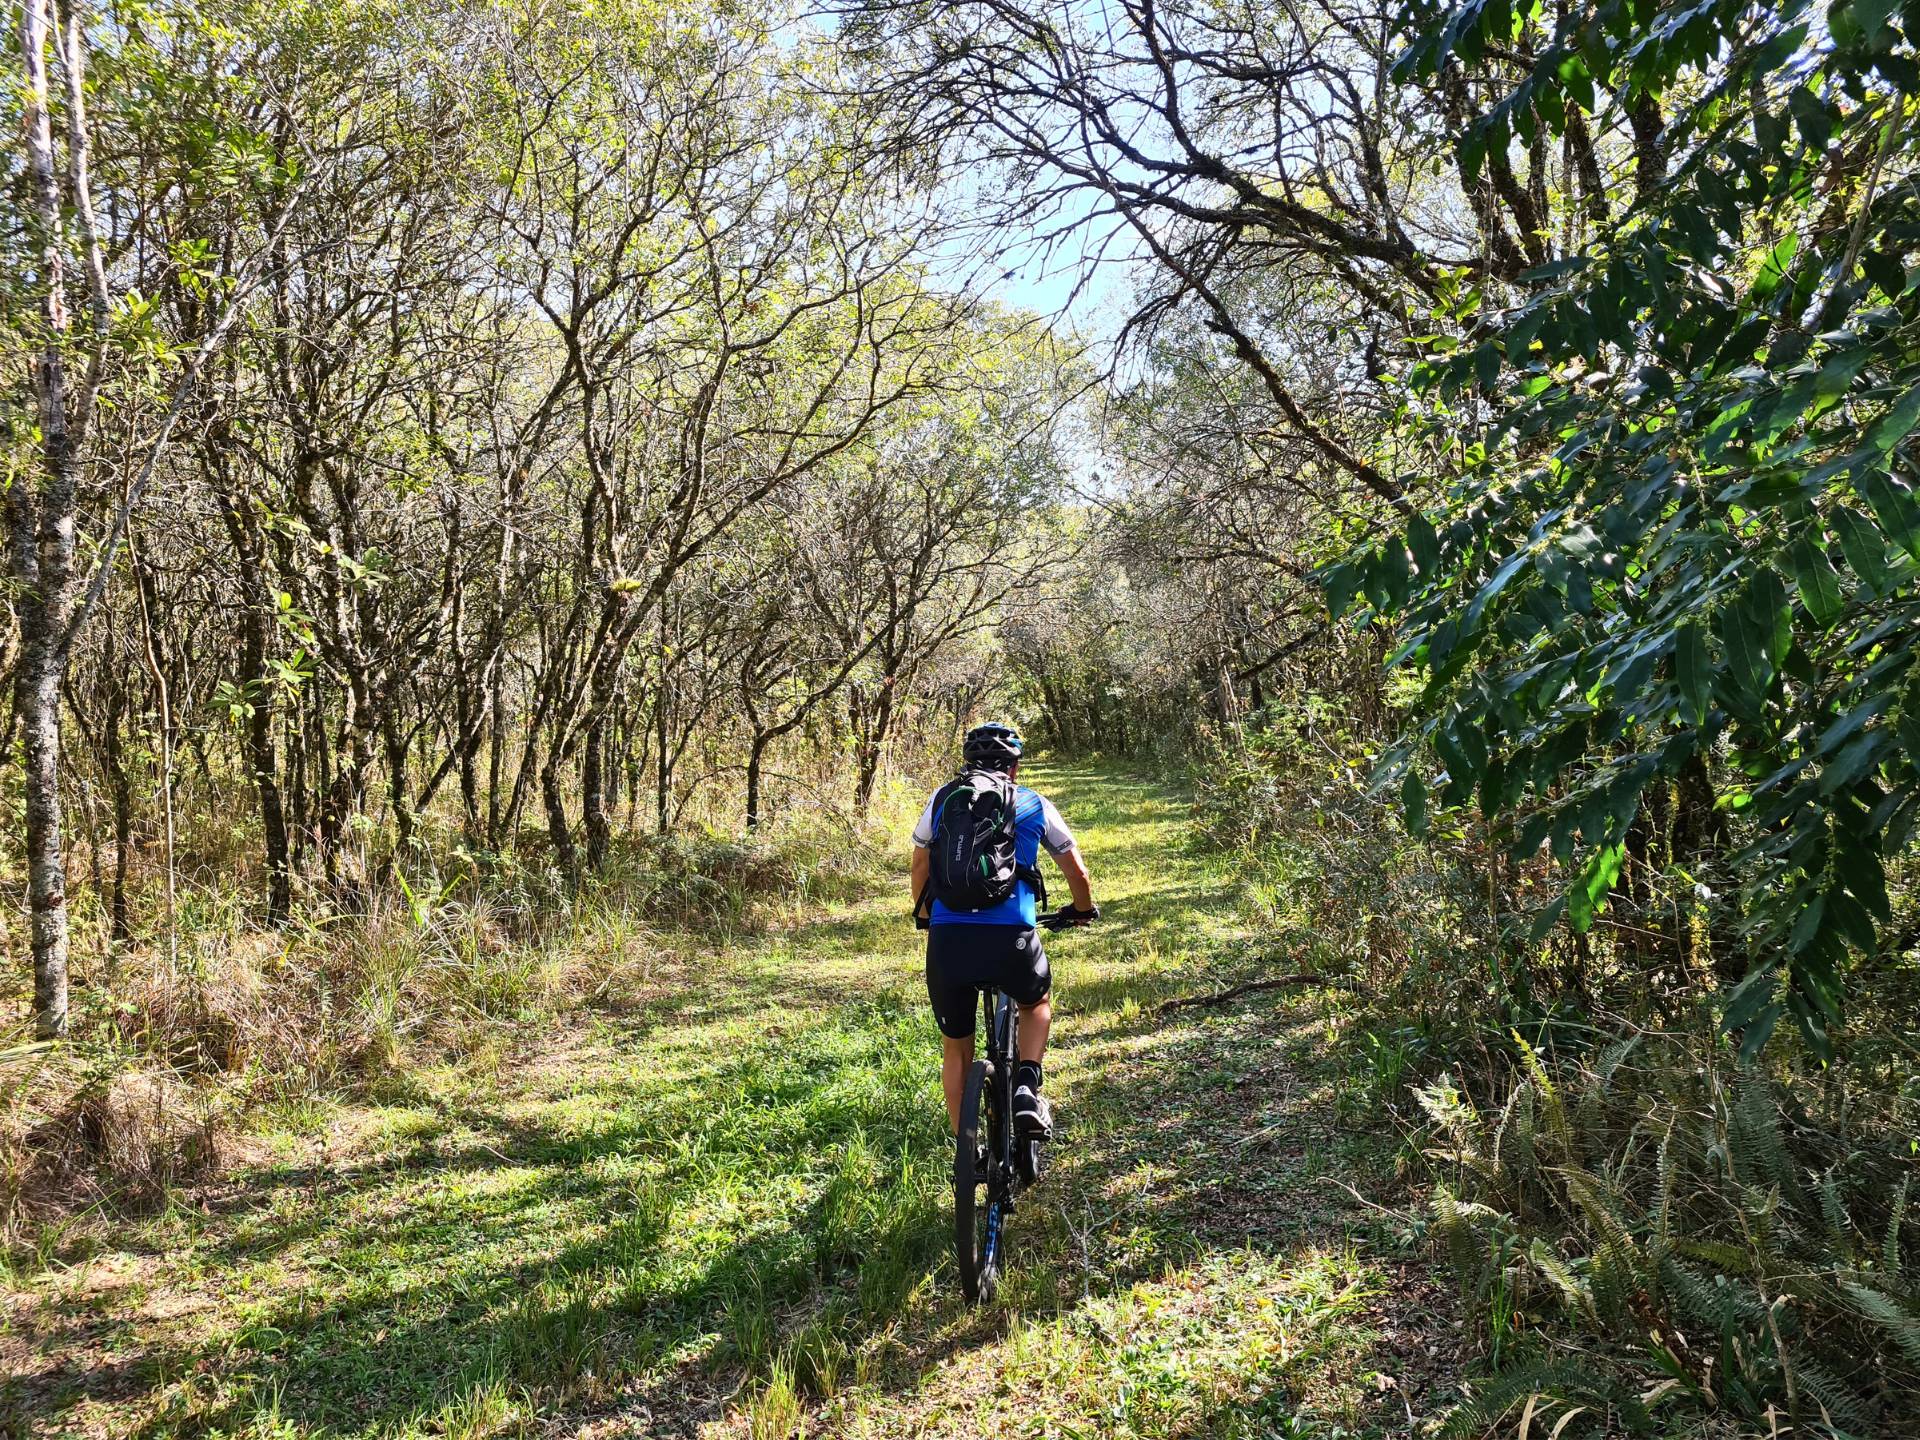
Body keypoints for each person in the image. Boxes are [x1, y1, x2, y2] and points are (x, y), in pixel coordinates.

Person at [909, 722, 1097, 1140]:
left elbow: (920, 865)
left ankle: (967, 1150)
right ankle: (1027, 1087)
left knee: (956, 1047)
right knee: (1036, 1002)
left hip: (948, 941)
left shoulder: (942, 800)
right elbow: (1077, 872)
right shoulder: (1034, 803)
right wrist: (1081, 910)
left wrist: (925, 916)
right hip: (1012, 938)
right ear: (1013, 768)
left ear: (968, 764)